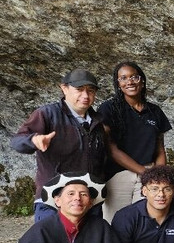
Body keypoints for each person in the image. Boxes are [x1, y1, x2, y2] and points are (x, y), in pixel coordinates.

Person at [11, 68, 109, 222]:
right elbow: (17, 141)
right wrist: (33, 140)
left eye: (90, 91)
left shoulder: (97, 121)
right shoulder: (48, 114)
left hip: (88, 200)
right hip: (53, 197)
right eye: (79, 89)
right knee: (51, 237)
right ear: (64, 88)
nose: (85, 95)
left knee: (90, 238)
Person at [97, 61, 170, 221]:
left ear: (142, 81)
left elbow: (159, 149)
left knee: (145, 222)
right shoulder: (108, 109)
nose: (129, 81)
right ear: (118, 84)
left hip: (149, 173)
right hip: (118, 175)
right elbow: (111, 149)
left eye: (134, 77)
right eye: (123, 78)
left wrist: (159, 176)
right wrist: (144, 172)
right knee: (114, 222)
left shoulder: (155, 111)